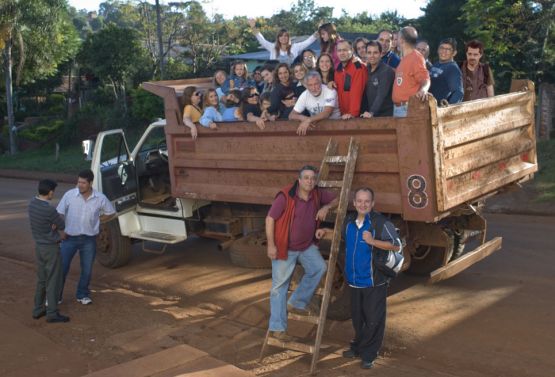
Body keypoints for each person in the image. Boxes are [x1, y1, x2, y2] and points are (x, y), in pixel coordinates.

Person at [315, 187, 402, 369]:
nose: (363, 204)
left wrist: (372, 241)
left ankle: (369, 354)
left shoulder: (380, 223)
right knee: (357, 318)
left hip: (374, 281)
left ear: (372, 203)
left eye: (367, 201)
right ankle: (357, 347)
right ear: (354, 203)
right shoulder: (348, 222)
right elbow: (342, 238)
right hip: (354, 281)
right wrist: (325, 232)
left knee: (373, 320)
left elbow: (395, 246)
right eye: (359, 201)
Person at [266, 165, 338, 340]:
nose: (309, 181)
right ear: (299, 180)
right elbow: (270, 219)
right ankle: (278, 328)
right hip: (285, 247)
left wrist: (326, 207)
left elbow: (338, 198)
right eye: (306, 178)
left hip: (306, 246)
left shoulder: (317, 193)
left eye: (312, 178)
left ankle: (296, 301)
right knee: (279, 288)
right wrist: (271, 245)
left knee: (319, 268)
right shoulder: (286, 196)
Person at [57, 169, 116, 305]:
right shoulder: (69, 195)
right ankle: (56, 296)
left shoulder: (100, 198)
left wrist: (98, 220)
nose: (80, 185)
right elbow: (59, 213)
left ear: (90, 183)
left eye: (83, 183)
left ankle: (82, 294)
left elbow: (111, 212)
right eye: (78, 182)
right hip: (69, 238)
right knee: (62, 268)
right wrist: (61, 230)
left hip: (89, 240)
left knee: (87, 270)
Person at [28, 179, 69, 323]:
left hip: (39, 247)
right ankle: (52, 312)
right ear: (50, 192)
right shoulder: (49, 209)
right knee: (53, 280)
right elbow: (62, 224)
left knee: (42, 279)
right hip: (51, 248)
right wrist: (55, 227)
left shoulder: (32, 203)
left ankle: (38, 309)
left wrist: (52, 226)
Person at [392, 27, 431, 117]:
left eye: (397, 38)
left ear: (401, 40)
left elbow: (425, 78)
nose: (395, 41)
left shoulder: (416, 58)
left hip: (408, 109)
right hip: (400, 109)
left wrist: (424, 90)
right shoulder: (405, 58)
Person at [289, 71, 341, 136]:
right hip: (317, 129)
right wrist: (303, 118)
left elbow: (326, 113)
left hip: (336, 127)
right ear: (306, 86)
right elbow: (291, 115)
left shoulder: (330, 91)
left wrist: (308, 120)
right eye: (310, 85)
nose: (313, 88)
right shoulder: (304, 95)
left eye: (316, 84)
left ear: (320, 82)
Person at [248, 19, 318, 65]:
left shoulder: (295, 47)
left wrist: (319, 30)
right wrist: (253, 27)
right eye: (281, 36)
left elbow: (309, 41)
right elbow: (261, 39)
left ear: (288, 37)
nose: (283, 38)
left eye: (285, 36)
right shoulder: (273, 48)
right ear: (278, 38)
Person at [334, 40, 368, 119]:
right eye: (339, 50)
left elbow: (356, 92)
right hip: (343, 115)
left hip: (356, 116)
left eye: (345, 50)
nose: (342, 53)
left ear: (352, 50)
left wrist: (352, 113)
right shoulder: (337, 70)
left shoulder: (358, 68)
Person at [361, 41, 394, 117]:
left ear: (380, 54)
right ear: (366, 54)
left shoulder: (386, 71)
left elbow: (381, 95)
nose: (372, 56)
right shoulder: (366, 69)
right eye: (369, 53)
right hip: (371, 115)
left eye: (375, 52)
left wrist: (372, 112)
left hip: (386, 116)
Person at [429, 38, 464, 104]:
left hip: (439, 110)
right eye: (441, 48)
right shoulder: (436, 64)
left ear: (454, 53)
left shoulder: (452, 68)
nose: (444, 51)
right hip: (428, 107)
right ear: (438, 50)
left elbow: (458, 92)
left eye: (448, 49)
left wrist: (447, 110)